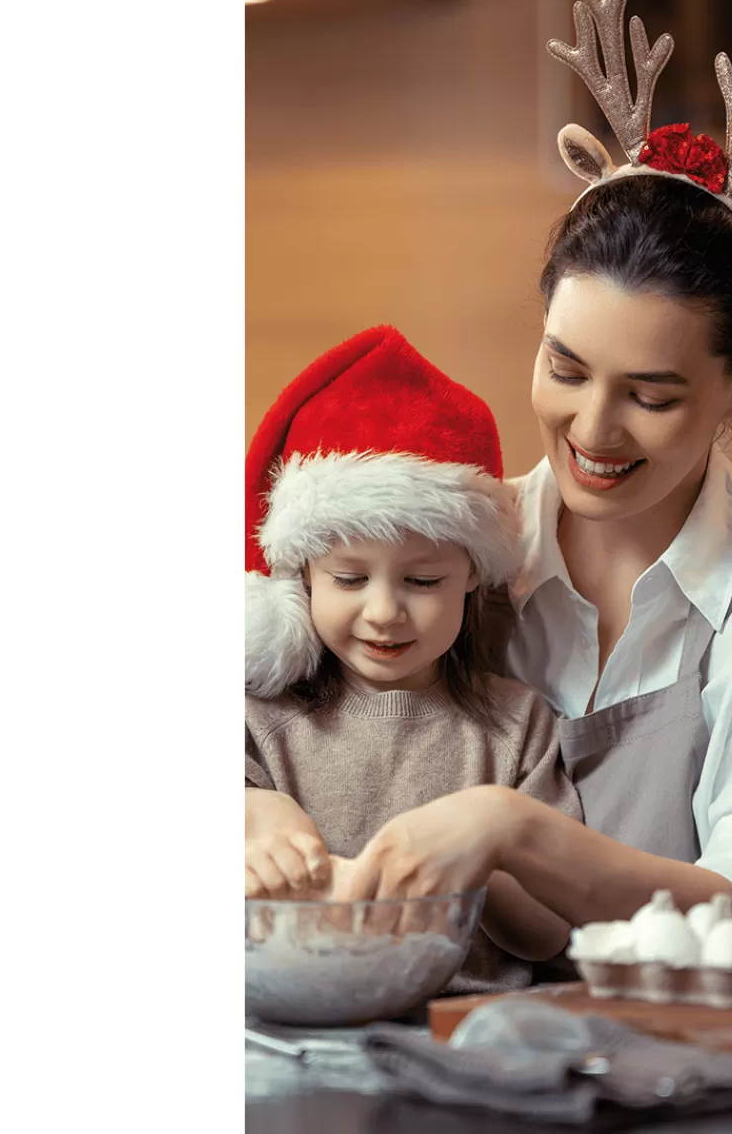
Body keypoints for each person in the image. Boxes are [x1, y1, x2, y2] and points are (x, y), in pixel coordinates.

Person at [332, 0, 732, 924]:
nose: (594, 431)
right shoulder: (446, 551)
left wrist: (513, 829)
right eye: (565, 369)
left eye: (651, 396)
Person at [242, 326, 583, 993]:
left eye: (423, 581)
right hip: (292, 1017)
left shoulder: (517, 726)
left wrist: (486, 856)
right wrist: (255, 819)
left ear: (471, 576)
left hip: (467, 1024)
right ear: (302, 576)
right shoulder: (260, 717)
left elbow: (549, 933)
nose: (384, 612)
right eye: (349, 579)